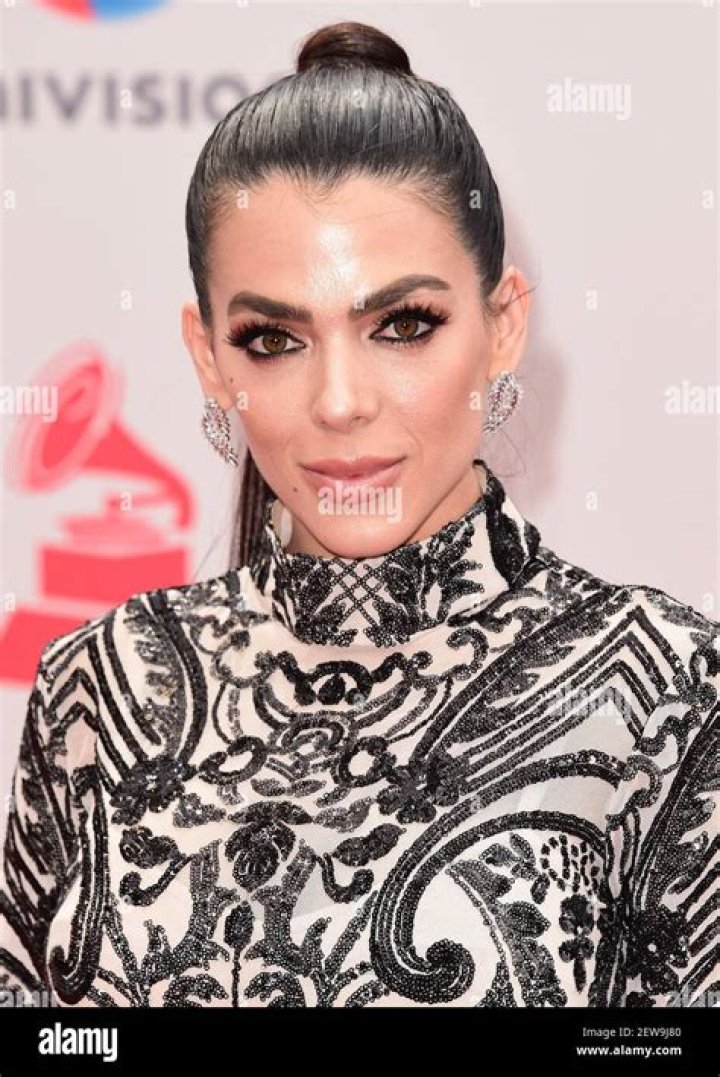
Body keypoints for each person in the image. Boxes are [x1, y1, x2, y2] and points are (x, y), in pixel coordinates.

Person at [0, 20, 717, 1010]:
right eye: (272, 339)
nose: (340, 402)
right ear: (207, 357)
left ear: (503, 326)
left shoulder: (670, 693)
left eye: (404, 325)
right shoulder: (98, 687)